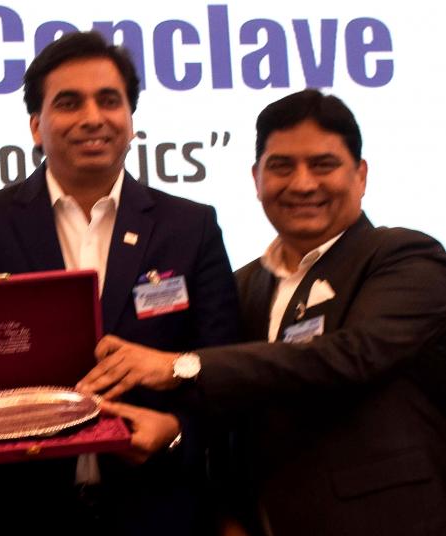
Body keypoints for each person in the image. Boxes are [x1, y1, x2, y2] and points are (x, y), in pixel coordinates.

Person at [78, 89, 446, 535]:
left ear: (361, 175)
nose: (302, 184)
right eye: (281, 167)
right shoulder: (244, 285)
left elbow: (350, 356)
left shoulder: (405, 256)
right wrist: (184, 445)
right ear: (256, 179)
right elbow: (232, 410)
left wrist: (180, 366)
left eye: (323, 165)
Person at [0, 31, 241, 535]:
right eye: (68, 103)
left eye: (109, 100)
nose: (92, 117)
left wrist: (177, 431)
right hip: (18, 512)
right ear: (36, 126)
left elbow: (226, 366)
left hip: (157, 509)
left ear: (130, 121)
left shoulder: (190, 226)